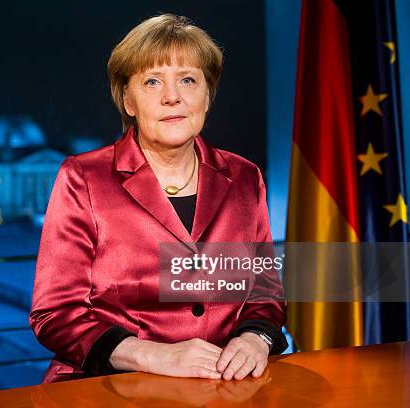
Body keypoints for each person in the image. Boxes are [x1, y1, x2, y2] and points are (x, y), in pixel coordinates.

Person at [29, 14, 287, 384]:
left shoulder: (245, 177)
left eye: (188, 80)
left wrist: (255, 338)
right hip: (109, 387)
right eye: (152, 81)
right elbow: (55, 313)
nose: (172, 96)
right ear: (127, 101)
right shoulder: (83, 177)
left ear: (208, 95)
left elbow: (264, 293)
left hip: (224, 385)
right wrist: (152, 354)